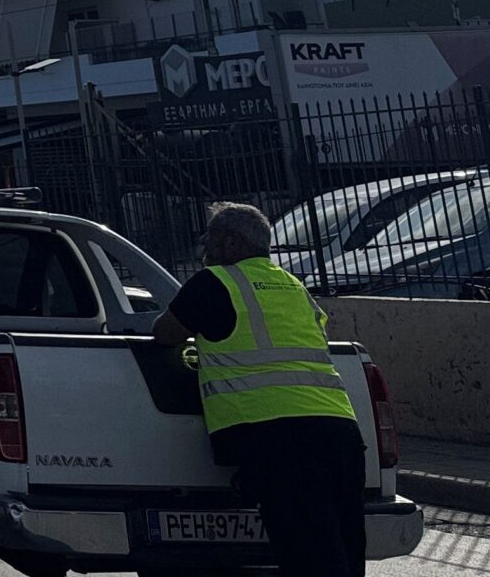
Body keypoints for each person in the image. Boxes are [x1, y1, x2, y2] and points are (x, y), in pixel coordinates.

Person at [154, 202, 367, 577]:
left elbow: (164, 333)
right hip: (340, 431)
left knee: (306, 554)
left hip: (275, 435)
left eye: (210, 241)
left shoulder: (216, 282)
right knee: (344, 548)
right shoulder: (295, 286)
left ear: (233, 243)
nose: (205, 251)